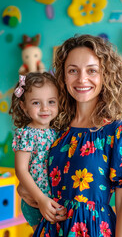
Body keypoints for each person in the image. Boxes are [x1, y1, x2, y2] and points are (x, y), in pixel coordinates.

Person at [22, 34, 122, 237]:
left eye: (92, 70)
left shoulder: (119, 133)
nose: (82, 79)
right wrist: (25, 191)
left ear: (105, 75)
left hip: (93, 230)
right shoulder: (55, 128)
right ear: (63, 77)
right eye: (73, 70)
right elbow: (33, 174)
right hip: (50, 230)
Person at [9, 72, 67, 231]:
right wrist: (40, 199)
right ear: (23, 106)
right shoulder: (26, 134)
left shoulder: (57, 132)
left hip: (55, 200)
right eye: (36, 103)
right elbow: (21, 170)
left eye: (51, 102)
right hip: (35, 202)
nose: (45, 108)